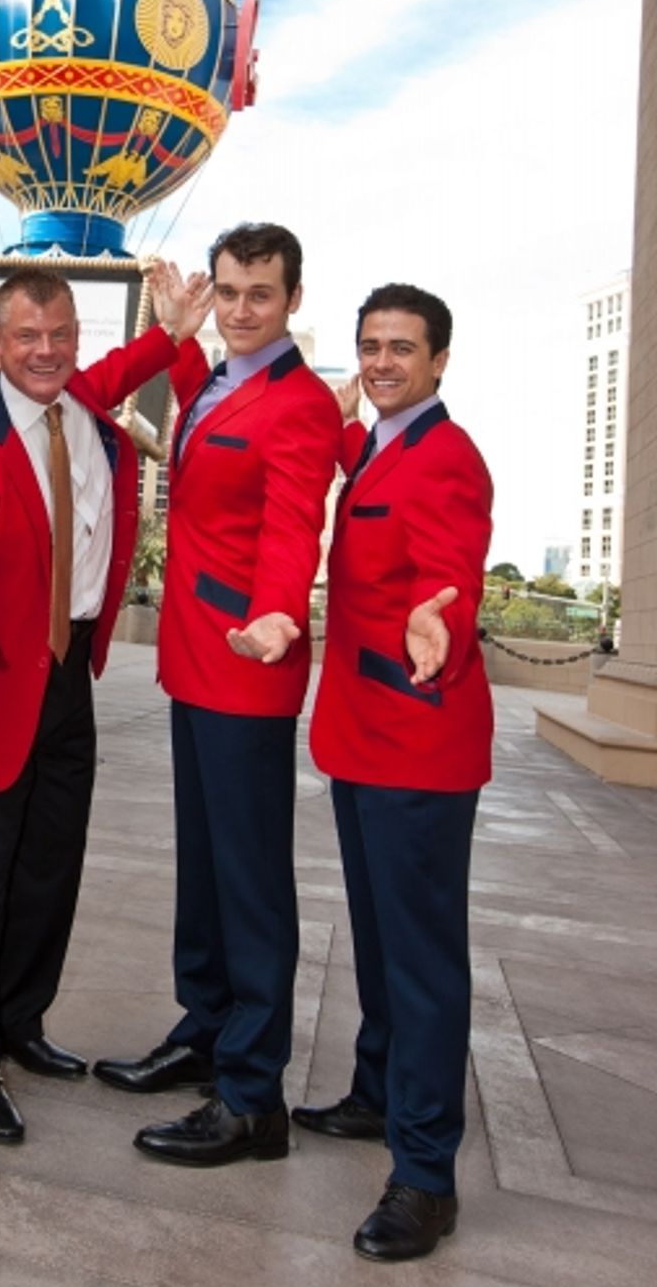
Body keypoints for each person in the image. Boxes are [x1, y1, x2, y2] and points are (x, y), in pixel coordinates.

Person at [0, 261, 209, 1144]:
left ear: (77, 337)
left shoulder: (84, 398)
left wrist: (175, 329)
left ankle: (17, 1021)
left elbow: (127, 367)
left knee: (48, 866)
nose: (44, 353)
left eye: (60, 335)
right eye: (25, 338)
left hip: (68, 672)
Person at [93, 223, 342, 1167]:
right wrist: (178, 331)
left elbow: (291, 525)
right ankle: (205, 1029)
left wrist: (279, 612)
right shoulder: (222, 384)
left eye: (260, 295)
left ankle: (251, 1097)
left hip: (247, 659)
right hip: (196, 659)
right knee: (203, 868)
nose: (241, 310)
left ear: (293, 300)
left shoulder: (301, 402)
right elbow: (195, 421)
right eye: (230, 291)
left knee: (249, 884)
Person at [295, 283, 493, 1264]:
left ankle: (425, 1173)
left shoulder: (446, 455)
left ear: (439, 361)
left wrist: (438, 621)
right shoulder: (378, 442)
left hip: (418, 740)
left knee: (420, 962)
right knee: (377, 942)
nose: (380, 362)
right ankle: (378, 1093)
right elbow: (345, 462)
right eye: (370, 345)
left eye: (401, 349)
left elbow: (453, 563)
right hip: (363, 737)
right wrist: (329, 410)